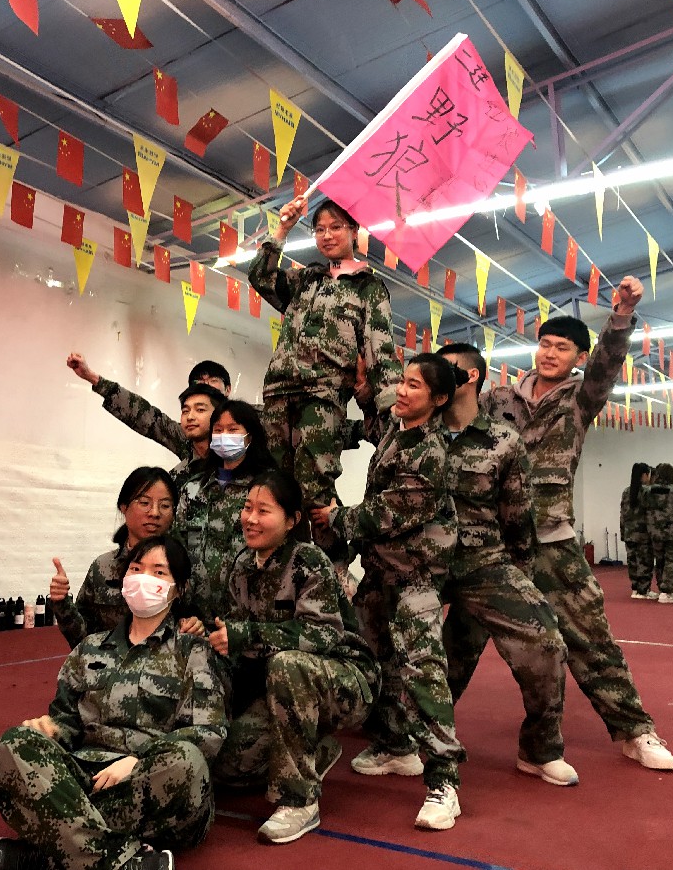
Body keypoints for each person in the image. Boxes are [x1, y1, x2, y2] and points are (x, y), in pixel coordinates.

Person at [479, 275, 673, 772]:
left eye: (562, 348)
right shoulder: (497, 399)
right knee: (453, 645)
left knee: (590, 638)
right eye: (544, 344)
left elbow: (607, 365)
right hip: (492, 543)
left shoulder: (580, 398)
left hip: (552, 541)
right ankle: (403, 738)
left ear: (578, 357)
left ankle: (635, 730)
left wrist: (621, 316)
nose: (549, 353)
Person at [0, 536, 227, 870]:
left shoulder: (192, 652)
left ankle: (49, 849)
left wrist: (137, 759)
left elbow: (208, 732)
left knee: (187, 762)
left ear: (179, 589)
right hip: (85, 779)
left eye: (159, 572)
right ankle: (118, 860)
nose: (144, 579)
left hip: (147, 781)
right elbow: (66, 721)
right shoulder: (90, 647)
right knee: (15, 743)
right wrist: (50, 730)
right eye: (136, 569)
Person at [311, 353, 463, 830]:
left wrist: (334, 516)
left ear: (439, 399)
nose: (401, 390)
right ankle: (396, 746)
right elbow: (371, 408)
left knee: (423, 674)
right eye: (403, 380)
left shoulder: (430, 450)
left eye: (414, 385)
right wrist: (361, 386)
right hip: (380, 575)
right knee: (370, 660)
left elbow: (388, 514)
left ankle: (444, 783)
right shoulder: (398, 431)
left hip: (414, 578)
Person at [208, 471, 378, 844]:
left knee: (287, 663)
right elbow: (237, 642)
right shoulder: (241, 566)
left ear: (291, 520)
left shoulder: (308, 562)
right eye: (247, 508)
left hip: (345, 682)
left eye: (263, 510)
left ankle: (299, 800)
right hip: (281, 687)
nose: (251, 519)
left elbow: (321, 634)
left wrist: (244, 636)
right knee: (229, 764)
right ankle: (317, 749)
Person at [434, 343, 575, 787]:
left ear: (471, 376)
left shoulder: (502, 440)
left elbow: (518, 517)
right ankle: (399, 739)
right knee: (401, 647)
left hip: (483, 565)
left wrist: (519, 577)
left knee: (545, 643)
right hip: (423, 564)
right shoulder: (414, 431)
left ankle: (540, 749)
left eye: (446, 368)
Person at [247, 196, 401, 552]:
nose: (327, 235)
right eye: (319, 229)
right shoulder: (306, 279)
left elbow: (380, 350)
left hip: (323, 396)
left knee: (315, 487)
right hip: (279, 391)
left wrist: (393, 409)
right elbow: (261, 276)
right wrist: (282, 229)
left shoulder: (368, 287)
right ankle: (286, 563)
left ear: (354, 231)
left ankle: (334, 565)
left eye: (335, 227)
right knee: (276, 488)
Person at [49, 467, 203, 647]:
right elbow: (81, 639)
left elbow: (208, 629)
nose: (154, 513)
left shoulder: (189, 566)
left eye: (165, 506)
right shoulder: (102, 567)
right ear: (124, 507)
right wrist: (61, 602)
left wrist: (197, 627)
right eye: (144, 503)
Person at [173, 399, 274, 627]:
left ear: (250, 436)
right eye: (218, 430)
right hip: (193, 619)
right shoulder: (193, 488)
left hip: (249, 620)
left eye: (233, 429)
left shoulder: (265, 490)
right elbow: (177, 545)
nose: (224, 436)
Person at [66, 352, 228, 488]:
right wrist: (92, 377)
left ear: (227, 389)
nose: (206, 386)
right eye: (198, 383)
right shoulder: (186, 438)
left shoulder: (240, 436)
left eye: (213, 381)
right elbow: (146, 415)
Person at [643, 463, 673, 603]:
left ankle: (662, 586)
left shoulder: (648, 491)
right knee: (672, 560)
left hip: (654, 531)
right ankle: (667, 591)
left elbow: (644, 508)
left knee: (660, 560)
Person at [621, 463, 657, 599]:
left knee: (633, 562)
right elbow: (652, 514)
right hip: (644, 533)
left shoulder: (626, 491)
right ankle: (644, 590)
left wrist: (623, 532)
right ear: (645, 475)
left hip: (629, 532)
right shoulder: (647, 491)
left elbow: (622, 514)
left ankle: (635, 588)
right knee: (645, 562)